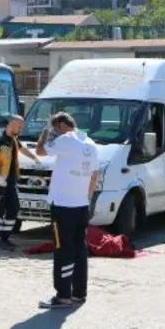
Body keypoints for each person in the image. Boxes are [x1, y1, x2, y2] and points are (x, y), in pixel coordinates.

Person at [35, 112, 99, 309]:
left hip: (63, 206)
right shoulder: (90, 143)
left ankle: (63, 295)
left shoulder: (65, 140)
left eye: (55, 128)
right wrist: (87, 200)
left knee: (62, 249)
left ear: (62, 125)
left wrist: (45, 131)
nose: (54, 131)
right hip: (81, 205)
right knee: (79, 250)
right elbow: (94, 176)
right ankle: (79, 293)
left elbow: (40, 151)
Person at [0, 115, 39, 251]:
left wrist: (34, 158)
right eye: (18, 126)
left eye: (21, 126)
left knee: (13, 208)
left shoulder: (14, 139)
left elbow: (22, 149)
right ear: (10, 124)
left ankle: (5, 237)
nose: (20, 129)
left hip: (10, 179)